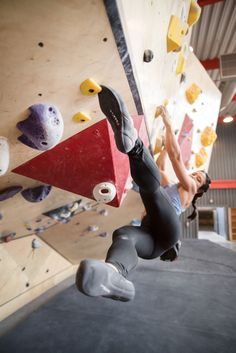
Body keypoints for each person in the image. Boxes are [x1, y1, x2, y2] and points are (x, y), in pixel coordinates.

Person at [76, 86, 211, 302]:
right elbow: (160, 166)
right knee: (123, 234)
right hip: (150, 241)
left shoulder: (190, 190)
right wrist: (165, 147)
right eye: (195, 173)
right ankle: (113, 274)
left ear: (199, 188)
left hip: (167, 233)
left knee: (153, 191)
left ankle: (134, 146)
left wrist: (168, 125)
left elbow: (177, 158)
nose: (193, 176)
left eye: (198, 178)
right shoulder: (175, 187)